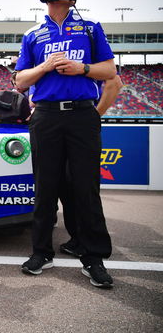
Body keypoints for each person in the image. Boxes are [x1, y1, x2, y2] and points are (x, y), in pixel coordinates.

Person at [15, 0, 117, 288]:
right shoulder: (33, 35)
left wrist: (81, 68)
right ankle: (41, 251)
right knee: (45, 188)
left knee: (85, 189)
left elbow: (109, 70)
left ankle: (93, 257)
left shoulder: (90, 28)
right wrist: (45, 67)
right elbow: (19, 81)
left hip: (82, 116)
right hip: (45, 116)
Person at [58, 75, 123, 258]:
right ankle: (77, 239)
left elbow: (115, 82)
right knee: (65, 189)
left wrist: (95, 114)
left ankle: (91, 244)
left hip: (82, 126)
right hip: (62, 126)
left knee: (82, 189)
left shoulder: (92, 62)